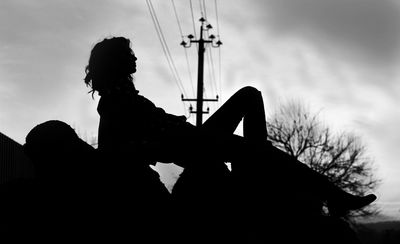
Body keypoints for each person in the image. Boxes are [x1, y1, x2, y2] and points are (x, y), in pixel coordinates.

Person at [83, 36, 376, 217]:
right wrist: (153, 146)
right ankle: (333, 197)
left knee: (250, 97)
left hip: (193, 139)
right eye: (128, 54)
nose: (135, 57)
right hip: (192, 147)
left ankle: (258, 173)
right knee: (257, 149)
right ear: (115, 62)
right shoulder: (113, 103)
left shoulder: (124, 96)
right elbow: (115, 154)